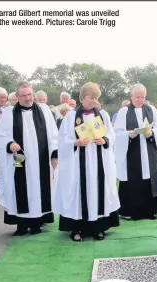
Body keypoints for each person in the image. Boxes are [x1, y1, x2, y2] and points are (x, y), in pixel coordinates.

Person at [54, 82, 120, 242]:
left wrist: (103, 140)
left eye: (97, 98)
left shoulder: (102, 115)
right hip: (78, 163)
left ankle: (99, 228)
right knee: (78, 192)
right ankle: (76, 229)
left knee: (99, 190)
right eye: (92, 97)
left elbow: (112, 135)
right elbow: (62, 140)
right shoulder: (71, 116)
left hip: (99, 162)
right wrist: (75, 143)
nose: (94, 101)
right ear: (83, 97)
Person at [0, 81, 58, 236]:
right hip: (19, 158)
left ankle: (37, 223)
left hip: (41, 159)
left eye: (30, 94)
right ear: (17, 96)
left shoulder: (43, 110)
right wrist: (10, 144)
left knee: (39, 188)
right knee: (19, 185)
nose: (28, 98)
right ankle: (21, 225)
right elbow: (0, 136)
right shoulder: (9, 113)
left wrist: (54, 155)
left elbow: (54, 135)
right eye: (24, 95)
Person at [114, 84, 157, 221]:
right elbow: (117, 133)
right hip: (132, 151)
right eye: (138, 97)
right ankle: (130, 210)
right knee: (133, 179)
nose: (140, 100)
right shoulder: (124, 112)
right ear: (131, 96)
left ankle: (151, 210)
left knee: (150, 178)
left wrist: (151, 133)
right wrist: (128, 135)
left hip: (148, 150)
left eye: (143, 97)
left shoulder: (151, 109)